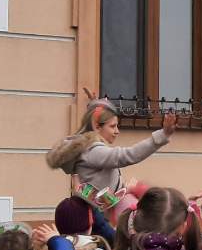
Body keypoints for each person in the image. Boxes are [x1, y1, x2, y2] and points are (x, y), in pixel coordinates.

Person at [45, 99, 178, 233]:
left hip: (97, 216)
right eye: (113, 126)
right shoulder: (94, 151)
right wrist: (163, 135)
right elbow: (128, 155)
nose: (117, 131)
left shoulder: (87, 150)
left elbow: (92, 194)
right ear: (97, 127)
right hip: (101, 220)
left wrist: (96, 103)